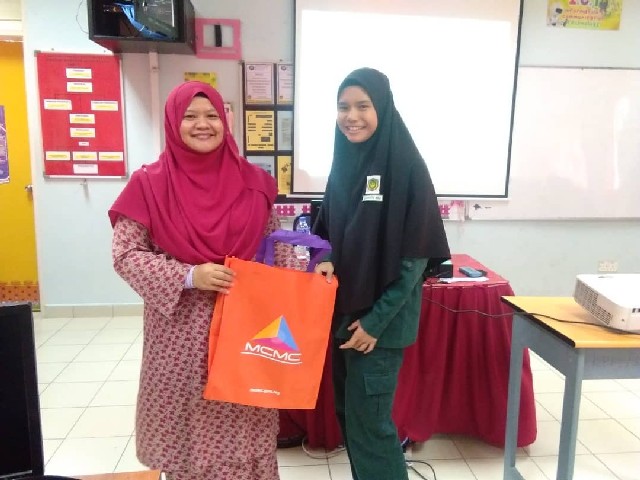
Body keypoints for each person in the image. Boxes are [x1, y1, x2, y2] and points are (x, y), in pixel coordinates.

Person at [108, 81, 287, 480]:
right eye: (190, 116)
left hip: (245, 330)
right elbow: (125, 254)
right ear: (174, 123)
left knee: (244, 427)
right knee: (189, 437)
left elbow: (274, 245)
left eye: (212, 116)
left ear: (225, 122)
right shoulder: (149, 183)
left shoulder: (253, 183)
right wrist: (190, 275)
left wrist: (312, 272)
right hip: (180, 338)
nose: (202, 124)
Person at [313, 68, 450, 480]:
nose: (351, 116)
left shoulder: (406, 166)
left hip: (380, 326)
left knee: (370, 427)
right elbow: (329, 230)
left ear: (383, 109)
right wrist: (326, 256)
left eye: (363, 106)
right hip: (344, 315)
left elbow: (414, 262)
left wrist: (374, 323)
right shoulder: (344, 164)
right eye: (343, 107)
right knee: (350, 417)